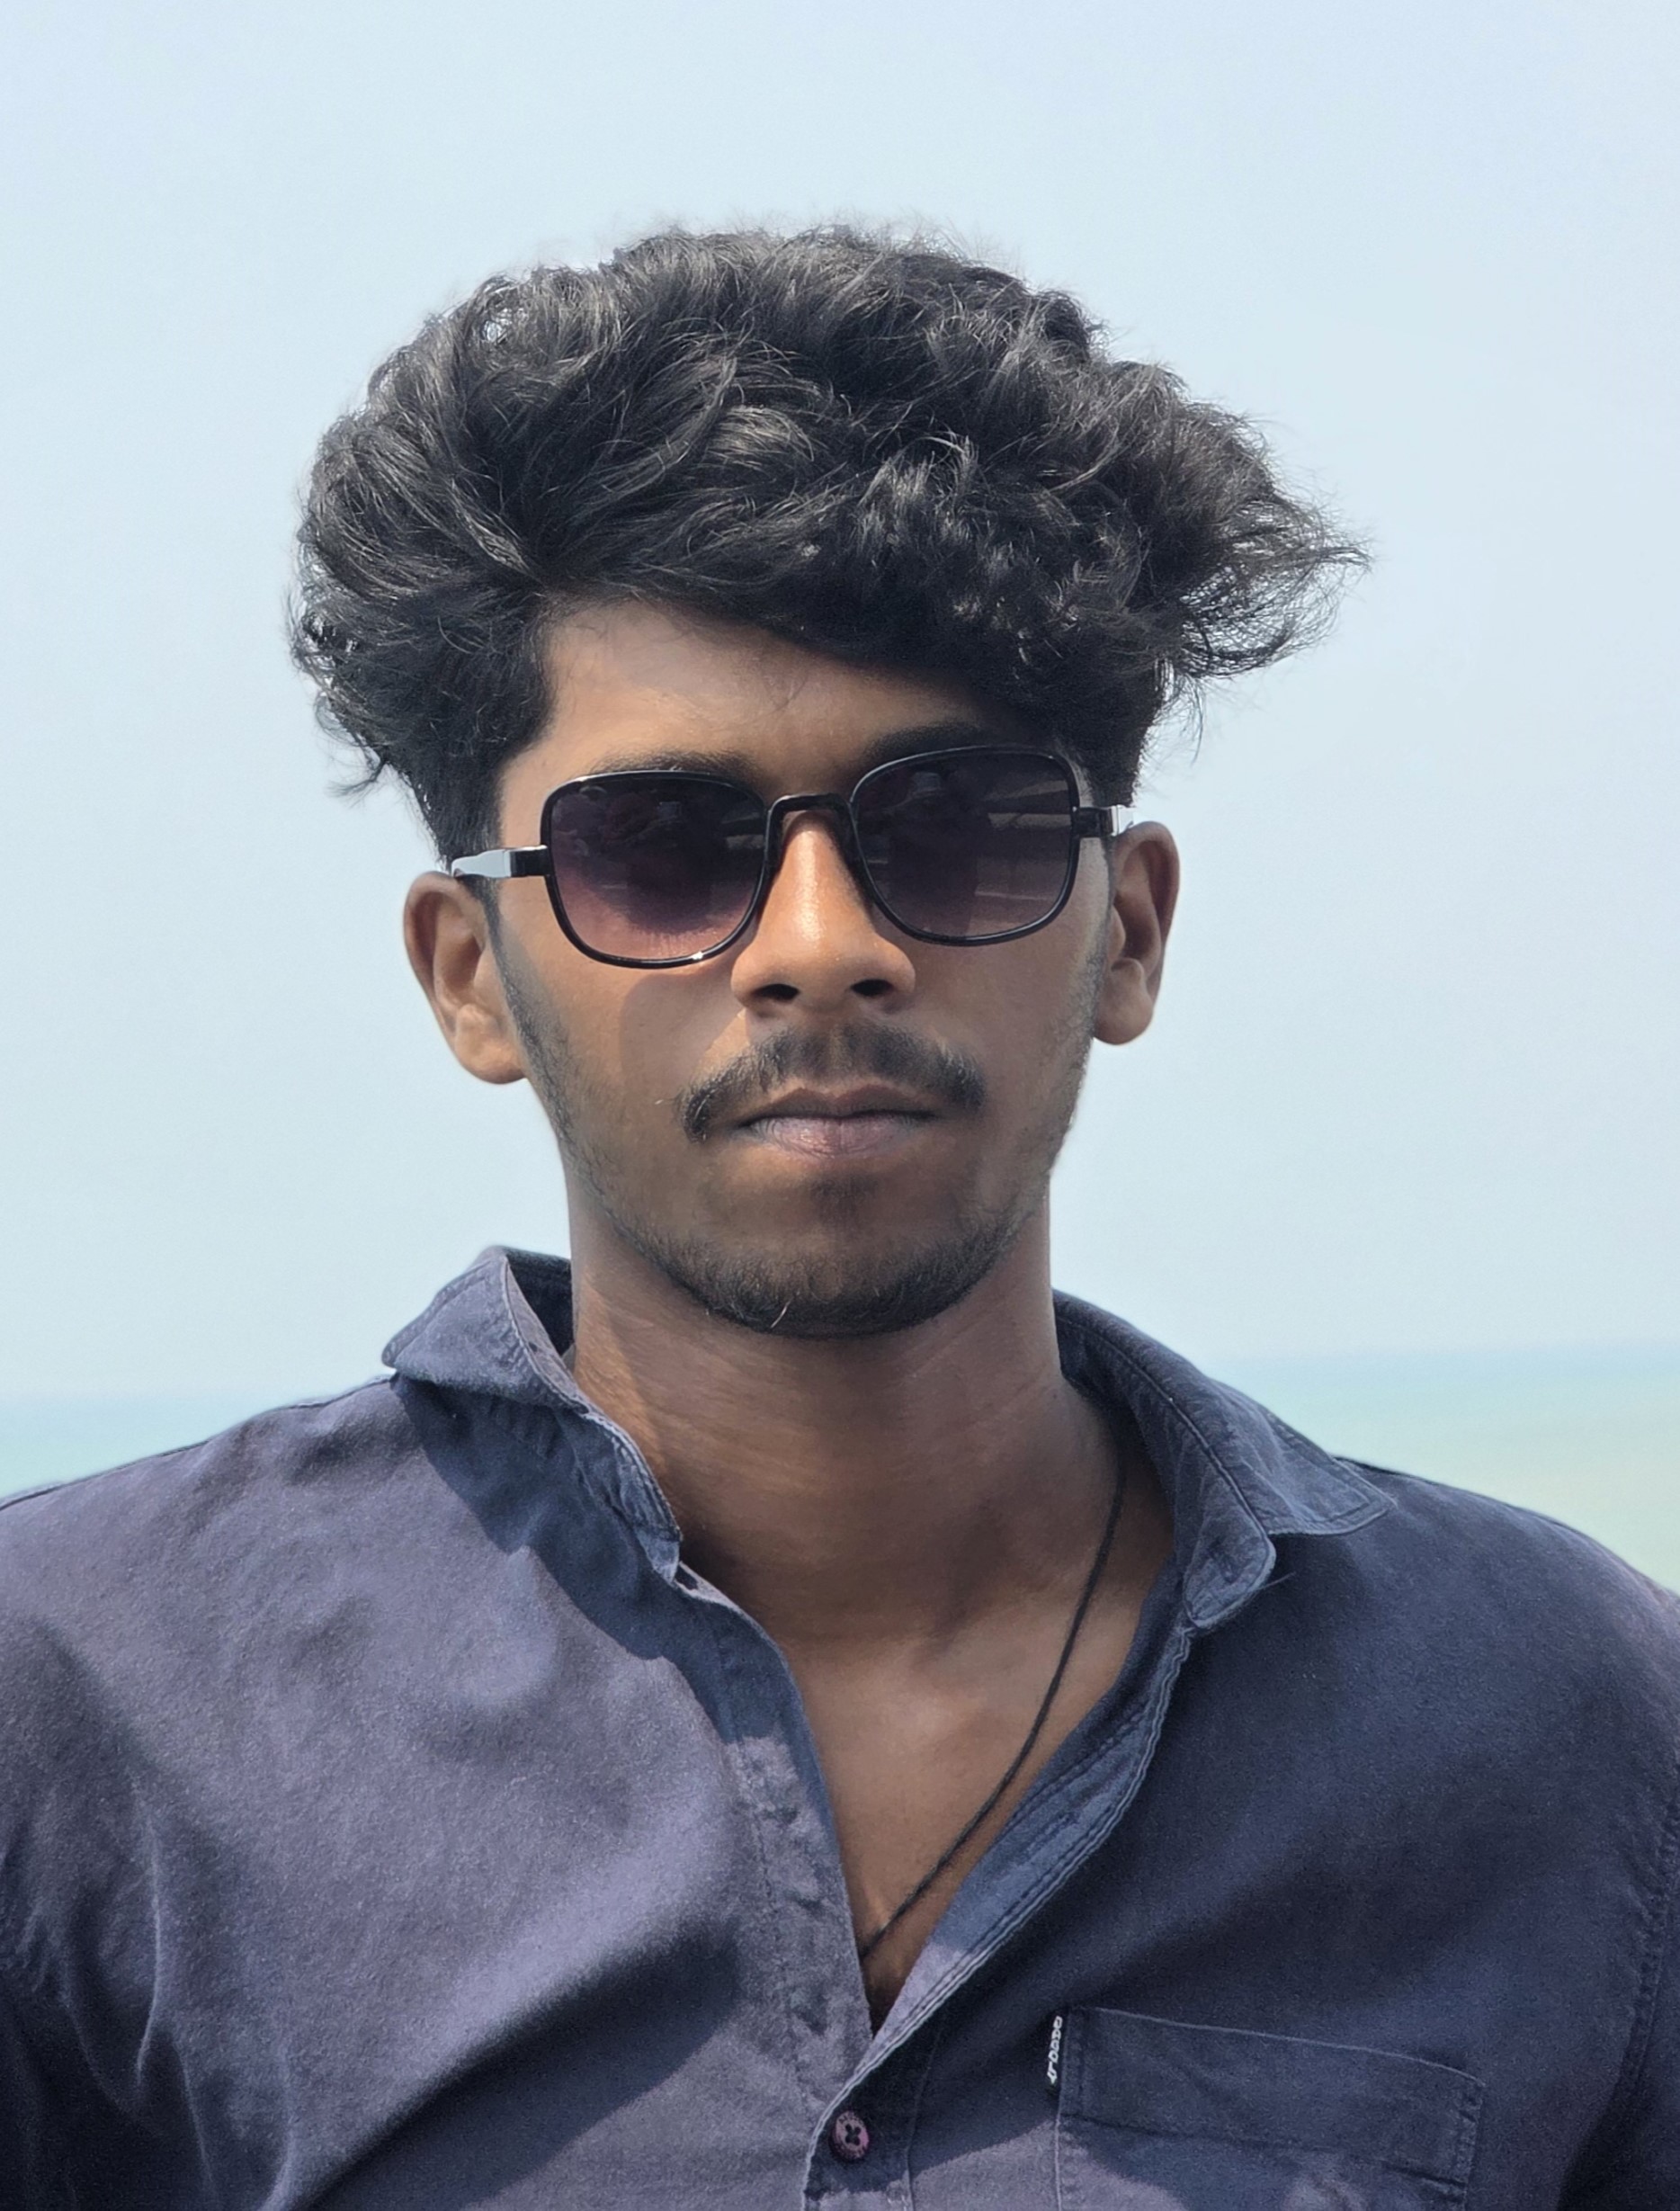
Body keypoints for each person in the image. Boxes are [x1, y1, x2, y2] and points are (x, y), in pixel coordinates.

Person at [0, 228, 1674, 2211]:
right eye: (660, 845)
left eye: (951, 825)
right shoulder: (87, 1701)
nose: (820, 942)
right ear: (470, 971)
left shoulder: (1562, 1717)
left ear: (1129, 930)